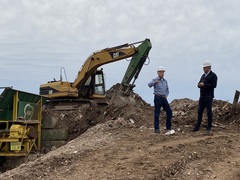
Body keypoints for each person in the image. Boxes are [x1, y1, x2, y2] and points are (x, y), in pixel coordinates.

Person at [193, 61, 218, 133]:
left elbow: (214, 85)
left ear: (208, 68)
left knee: (209, 111)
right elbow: (198, 84)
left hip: (209, 96)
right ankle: (197, 126)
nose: (203, 69)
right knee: (199, 111)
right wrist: (199, 85)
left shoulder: (213, 75)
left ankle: (209, 127)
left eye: (204, 68)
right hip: (202, 96)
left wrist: (204, 85)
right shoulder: (203, 76)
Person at [148, 66, 172, 133]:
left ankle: (168, 126)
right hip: (157, 97)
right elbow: (149, 84)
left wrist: (166, 95)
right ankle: (156, 128)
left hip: (164, 98)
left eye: (163, 72)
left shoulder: (165, 81)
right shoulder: (155, 80)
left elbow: (167, 90)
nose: (162, 73)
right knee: (157, 113)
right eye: (161, 72)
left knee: (169, 111)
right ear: (158, 73)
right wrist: (154, 83)